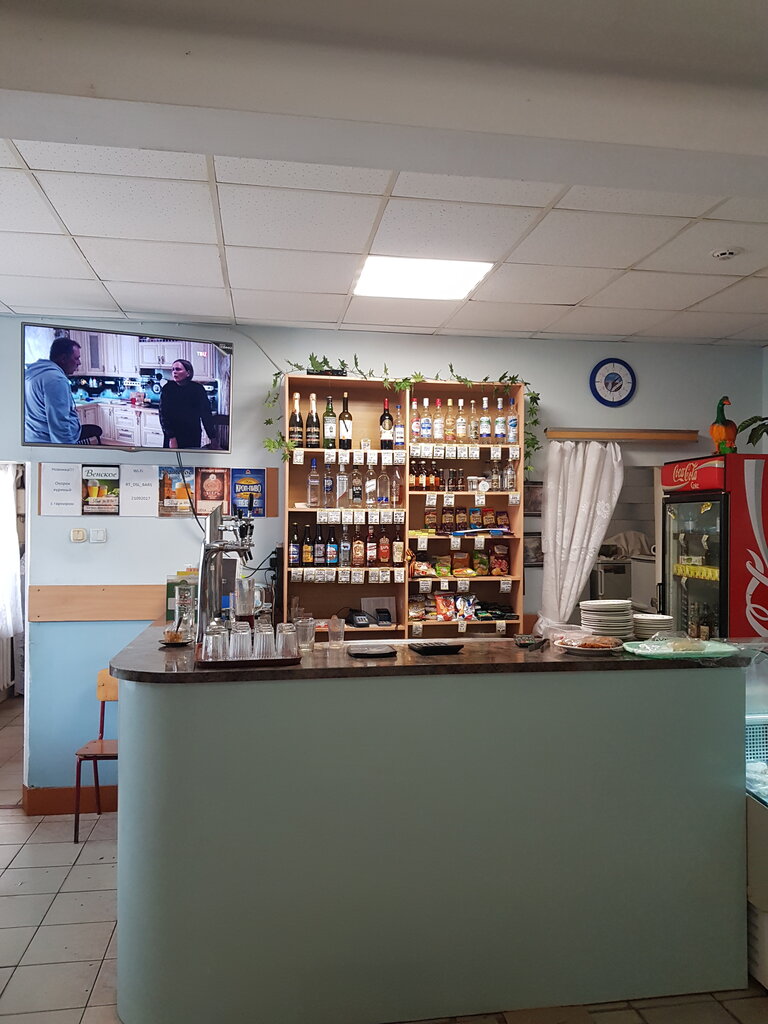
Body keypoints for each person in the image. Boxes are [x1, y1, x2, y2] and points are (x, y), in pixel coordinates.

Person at [24, 336, 83, 444]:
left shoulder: (35, 373)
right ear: (63, 359)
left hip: (33, 439)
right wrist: (68, 452)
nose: (79, 363)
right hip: (48, 443)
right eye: (76, 358)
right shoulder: (56, 380)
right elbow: (60, 426)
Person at [159, 359, 217, 449]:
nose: (174, 372)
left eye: (178, 369)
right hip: (173, 434)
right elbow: (163, 415)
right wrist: (172, 438)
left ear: (188, 373)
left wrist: (212, 437)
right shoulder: (168, 389)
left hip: (192, 433)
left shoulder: (198, 389)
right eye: (173, 369)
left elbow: (206, 415)